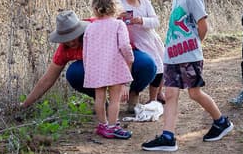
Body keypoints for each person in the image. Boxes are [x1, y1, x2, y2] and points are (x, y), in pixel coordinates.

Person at [141, 0, 234, 152]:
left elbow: (203, 25)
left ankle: (221, 122)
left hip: (189, 56)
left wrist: (194, 45)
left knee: (194, 92)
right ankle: (168, 137)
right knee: (171, 94)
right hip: (173, 57)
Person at [20, 10, 157, 110]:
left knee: (148, 64)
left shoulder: (96, 28)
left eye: (73, 36)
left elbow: (125, 51)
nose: (70, 42)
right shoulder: (64, 49)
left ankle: (134, 93)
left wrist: (125, 84)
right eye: (65, 39)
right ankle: (101, 101)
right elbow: (48, 79)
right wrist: (25, 104)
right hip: (99, 67)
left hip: (122, 57)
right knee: (74, 73)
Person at [83, 0, 134, 140]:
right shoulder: (118, 24)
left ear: (94, 8)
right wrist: (130, 59)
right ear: (113, 6)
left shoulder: (90, 28)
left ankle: (103, 125)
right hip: (114, 66)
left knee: (99, 97)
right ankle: (112, 127)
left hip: (95, 68)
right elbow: (124, 45)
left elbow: (85, 52)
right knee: (114, 99)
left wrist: (88, 68)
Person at [119, 0, 166, 108]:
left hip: (150, 38)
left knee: (161, 65)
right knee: (152, 65)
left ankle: (155, 96)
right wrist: (119, 17)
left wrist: (141, 20)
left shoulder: (145, 2)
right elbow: (113, 21)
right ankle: (145, 94)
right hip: (134, 41)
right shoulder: (119, 4)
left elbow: (156, 21)